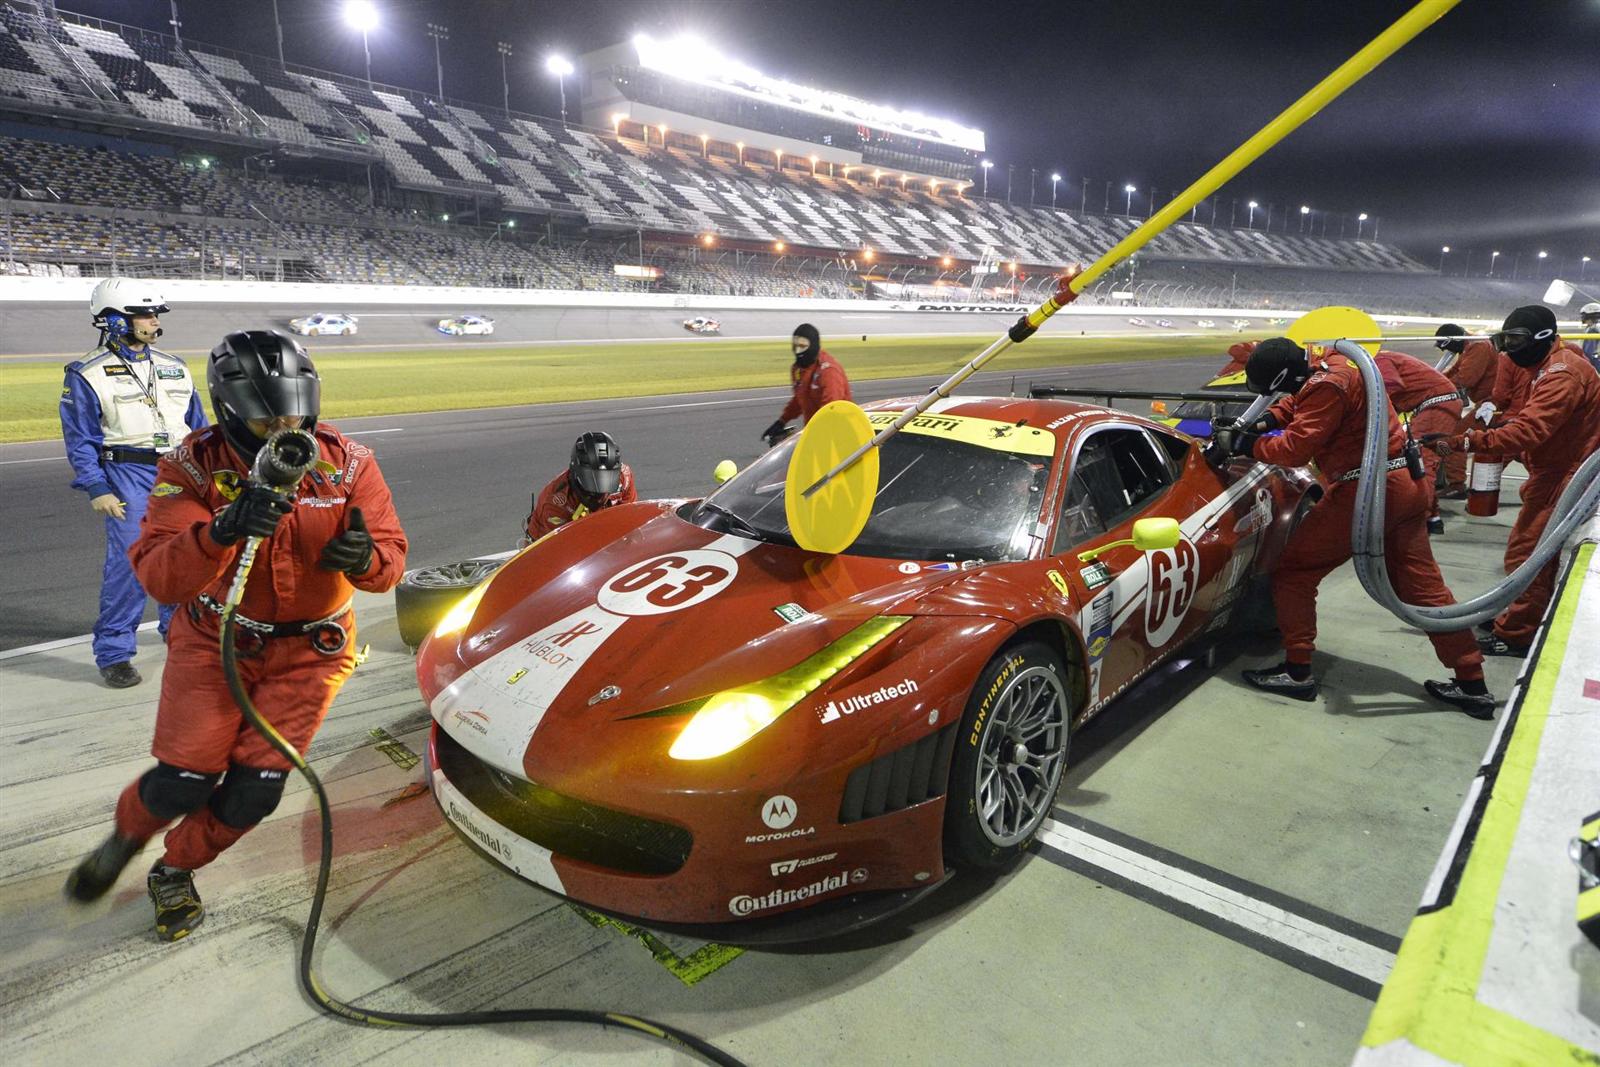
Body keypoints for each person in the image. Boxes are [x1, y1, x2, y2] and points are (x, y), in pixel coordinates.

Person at [63, 330, 408, 942]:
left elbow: (389, 565)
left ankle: (174, 869)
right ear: (227, 411)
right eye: (265, 415)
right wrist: (221, 532)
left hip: (312, 652)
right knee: (182, 779)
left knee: (256, 793)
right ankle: (127, 837)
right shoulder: (189, 464)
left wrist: (362, 558)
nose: (284, 425)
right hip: (216, 639)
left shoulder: (352, 462)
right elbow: (160, 576)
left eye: (294, 408)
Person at [1229, 337, 1494, 717]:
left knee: (1294, 571)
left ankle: (1297, 671)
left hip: (1367, 490)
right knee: (1424, 589)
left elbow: (1293, 450)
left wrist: (1247, 443)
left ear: (1286, 375)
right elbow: (1300, 397)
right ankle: (1472, 682)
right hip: (1405, 485)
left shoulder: (1326, 385)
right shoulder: (1337, 365)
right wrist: (1271, 418)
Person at [61, 278, 208, 689]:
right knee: (130, 563)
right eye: (142, 314)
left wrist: (213, 473)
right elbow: (81, 437)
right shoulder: (86, 373)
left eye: (154, 313)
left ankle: (180, 633)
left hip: (181, 472)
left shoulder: (175, 365)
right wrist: (97, 487)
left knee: (186, 558)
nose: (151, 320)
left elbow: (200, 428)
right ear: (112, 320)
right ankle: (114, 652)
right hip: (127, 474)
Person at [1452, 305, 1600, 657]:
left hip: (1566, 475)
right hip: (1553, 469)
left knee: (1531, 555)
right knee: (1528, 551)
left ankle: (1517, 633)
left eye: (1516, 339)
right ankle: (1515, 613)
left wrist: (1467, 441)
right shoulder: (1549, 365)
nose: (1509, 348)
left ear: (1542, 337)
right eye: (1505, 340)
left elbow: (1532, 429)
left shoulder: (1563, 373)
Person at [1371, 348, 1463, 535]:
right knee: (1419, 461)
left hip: (1435, 404)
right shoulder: (1384, 358)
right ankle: (1432, 518)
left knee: (1420, 463)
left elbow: (1387, 389)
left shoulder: (1379, 360)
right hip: (1435, 404)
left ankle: (1417, 521)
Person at [524, 431, 637, 542]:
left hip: (600, 526)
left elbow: (629, 520)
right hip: (547, 539)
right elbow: (563, 547)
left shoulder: (624, 477)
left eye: (606, 478)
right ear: (576, 472)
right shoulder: (555, 502)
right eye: (592, 479)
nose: (600, 492)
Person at [1433, 323, 1500, 499]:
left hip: (1492, 405)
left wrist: (1437, 388)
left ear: (1451, 341)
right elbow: (1454, 372)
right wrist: (1432, 382)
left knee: (1457, 438)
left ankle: (1457, 486)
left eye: (1445, 347)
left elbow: (1465, 378)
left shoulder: (1478, 346)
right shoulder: (1470, 346)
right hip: (1488, 404)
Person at [762, 323, 851, 446]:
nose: (798, 351)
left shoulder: (829, 371)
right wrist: (781, 421)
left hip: (836, 435)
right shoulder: (799, 369)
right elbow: (800, 398)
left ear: (812, 345)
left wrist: (809, 438)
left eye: (802, 346)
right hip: (815, 432)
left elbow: (831, 409)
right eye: (795, 346)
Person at [1579, 301, 1600, 370]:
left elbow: (1589, 352)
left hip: (1594, 362)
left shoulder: (1593, 329)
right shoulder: (1595, 327)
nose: (1582, 317)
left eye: (1584, 315)